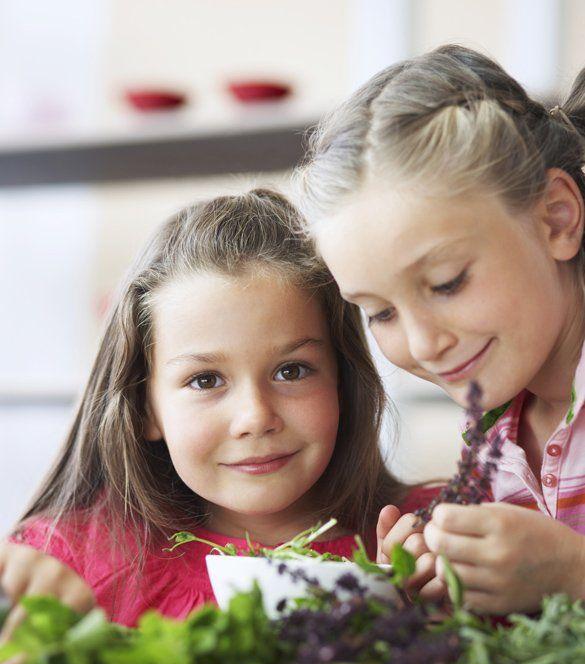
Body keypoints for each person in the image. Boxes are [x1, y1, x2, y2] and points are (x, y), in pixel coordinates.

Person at [0, 189, 432, 638]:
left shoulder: (438, 538)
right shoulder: (67, 565)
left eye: (291, 371)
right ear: (145, 409)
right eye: (206, 380)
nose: (255, 417)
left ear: (343, 381)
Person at [294, 44, 585, 614]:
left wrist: (573, 574)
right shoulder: (496, 438)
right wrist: (445, 582)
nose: (425, 344)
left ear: (556, 217)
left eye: (448, 283)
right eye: (380, 312)